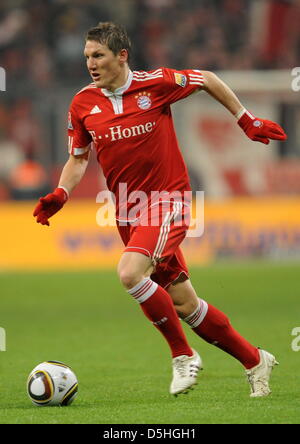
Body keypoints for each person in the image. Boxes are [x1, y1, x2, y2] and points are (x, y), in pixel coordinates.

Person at [33, 22, 286, 397]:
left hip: (169, 201)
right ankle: (254, 360)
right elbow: (79, 159)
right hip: (127, 214)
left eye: (98, 55)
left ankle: (182, 355)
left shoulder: (156, 83)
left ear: (122, 56)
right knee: (185, 304)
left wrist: (244, 119)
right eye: (87, 56)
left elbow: (207, 79)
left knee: (130, 274)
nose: (91, 63)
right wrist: (61, 193)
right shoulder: (83, 103)